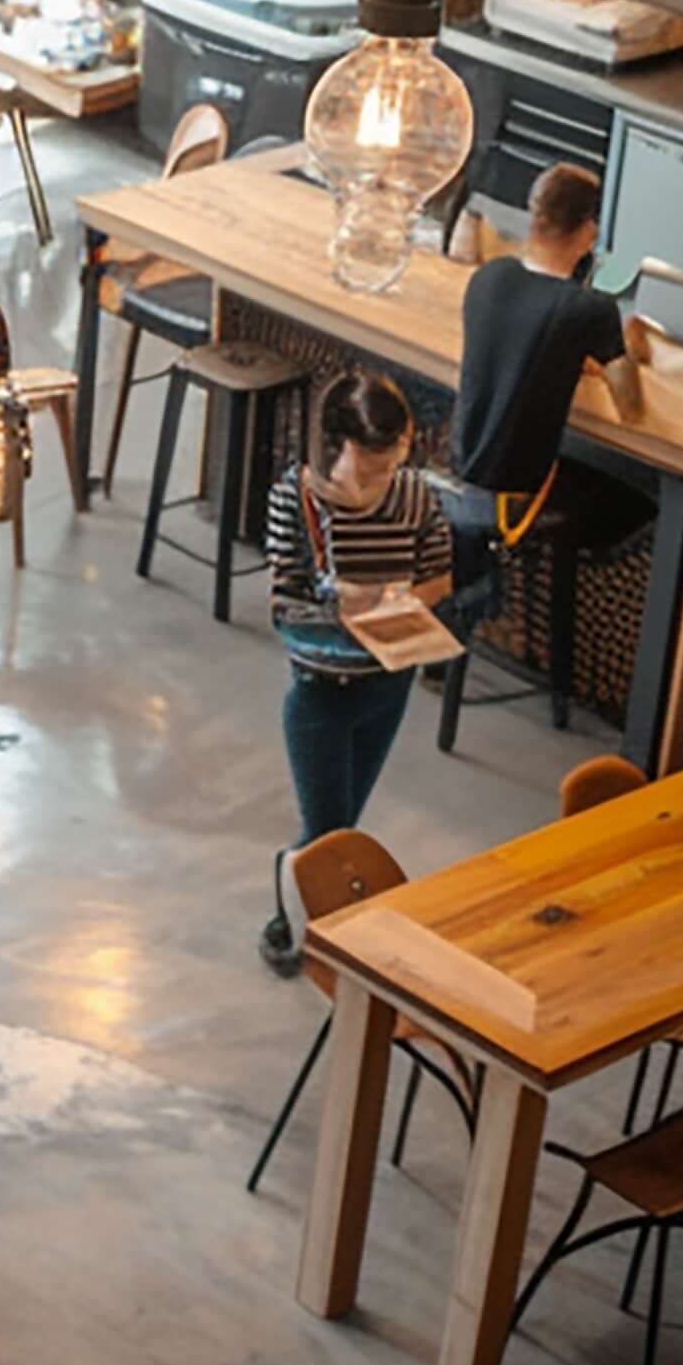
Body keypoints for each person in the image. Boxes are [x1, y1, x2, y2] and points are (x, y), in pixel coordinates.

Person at [260, 374, 455, 969]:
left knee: (344, 826)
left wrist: (397, 602)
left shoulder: (415, 495)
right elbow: (282, 601)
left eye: (390, 462)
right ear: (332, 447)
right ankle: (292, 923)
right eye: (367, 467)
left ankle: (300, 903)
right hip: (320, 692)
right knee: (330, 832)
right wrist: (344, 609)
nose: (379, 480)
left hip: (388, 685)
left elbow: (442, 576)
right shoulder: (298, 499)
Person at [445, 161, 656, 616]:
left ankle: (475, 611)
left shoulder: (488, 278)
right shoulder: (586, 309)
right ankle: (575, 654)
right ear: (590, 232)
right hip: (517, 501)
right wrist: (631, 344)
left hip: (462, 477)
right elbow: (632, 409)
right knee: (644, 503)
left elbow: (525, 344)